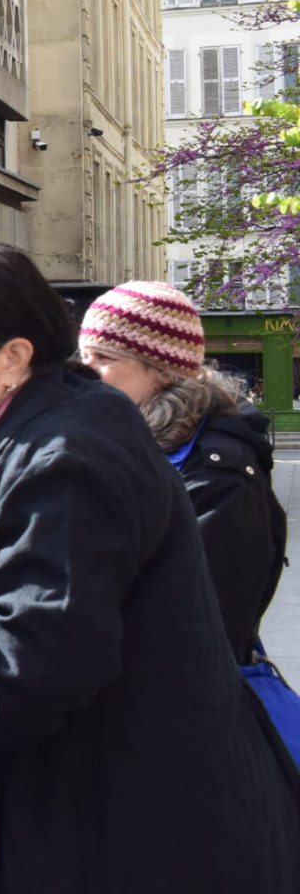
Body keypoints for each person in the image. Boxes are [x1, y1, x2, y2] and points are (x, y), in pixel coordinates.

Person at [0, 242, 300, 894]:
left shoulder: (67, 455)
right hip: (97, 833)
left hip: (130, 868)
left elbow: (35, 659)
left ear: (14, 356)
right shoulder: (32, 433)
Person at [77, 280, 287, 661]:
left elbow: (201, 625)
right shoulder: (113, 440)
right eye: (84, 356)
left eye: (103, 359)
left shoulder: (218, 474)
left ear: (163, 372)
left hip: (170, 705)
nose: (84, 373)